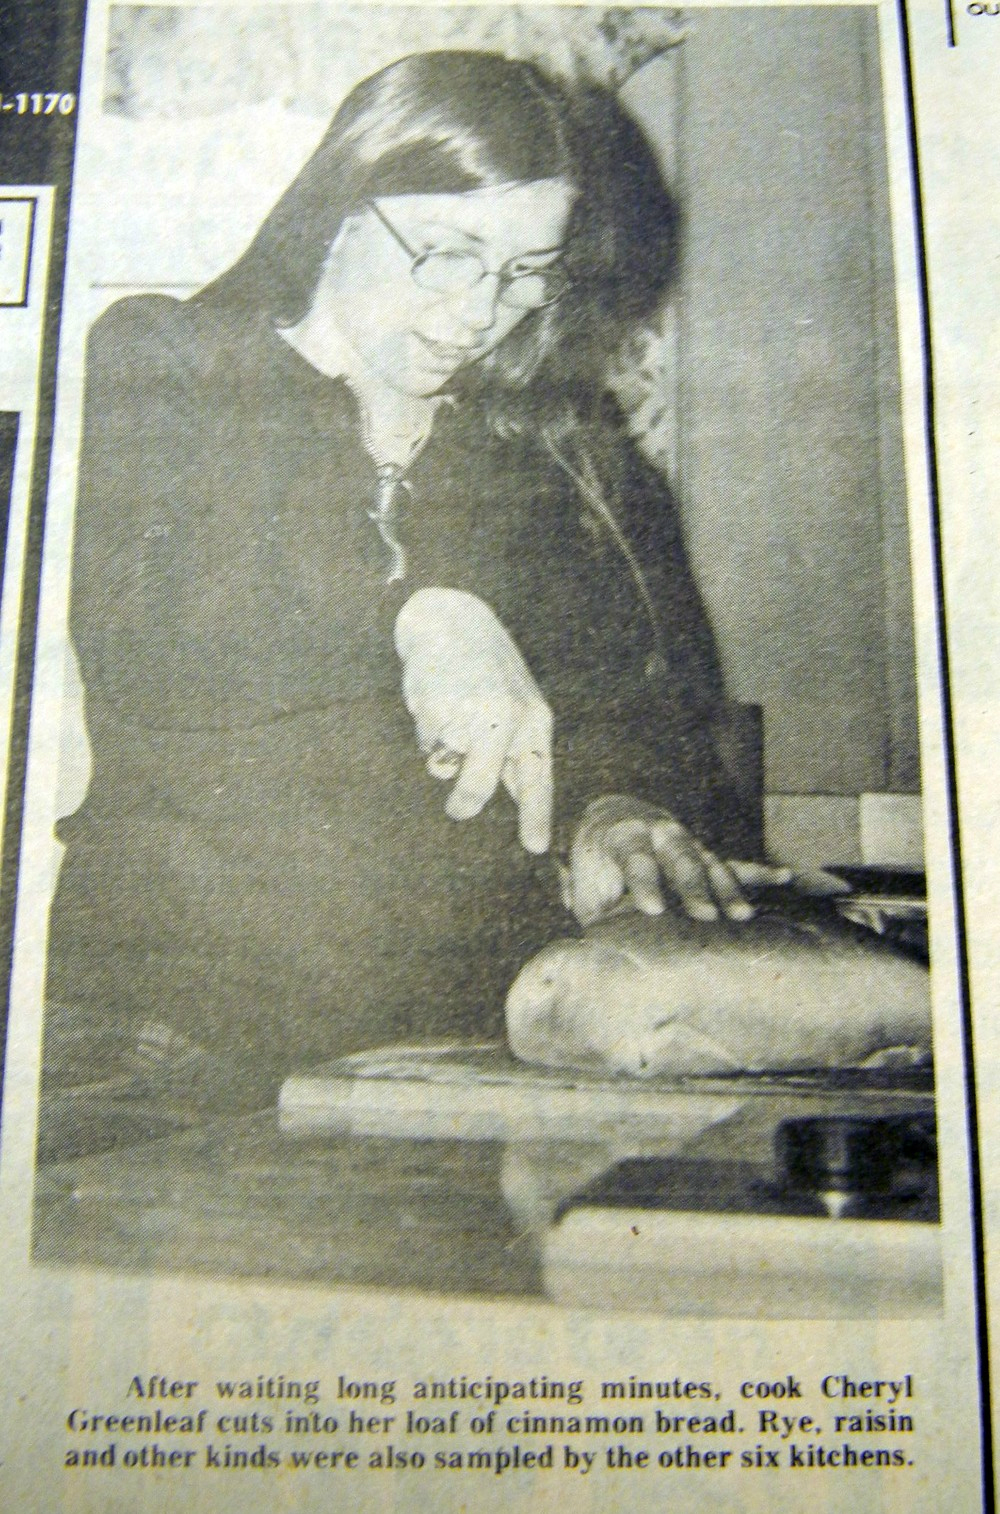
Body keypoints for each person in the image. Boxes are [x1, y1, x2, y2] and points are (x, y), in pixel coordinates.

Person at [44, 50, 783, 1114]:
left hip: (472, 1028)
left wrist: (616, 806)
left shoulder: (546, 437)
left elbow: (636, 702)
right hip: (177, 1026)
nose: (479, 312)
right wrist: (420, 610)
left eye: (523, 271)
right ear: (339, 210)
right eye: (446, 255)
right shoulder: (170, 360)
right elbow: (152, 641)